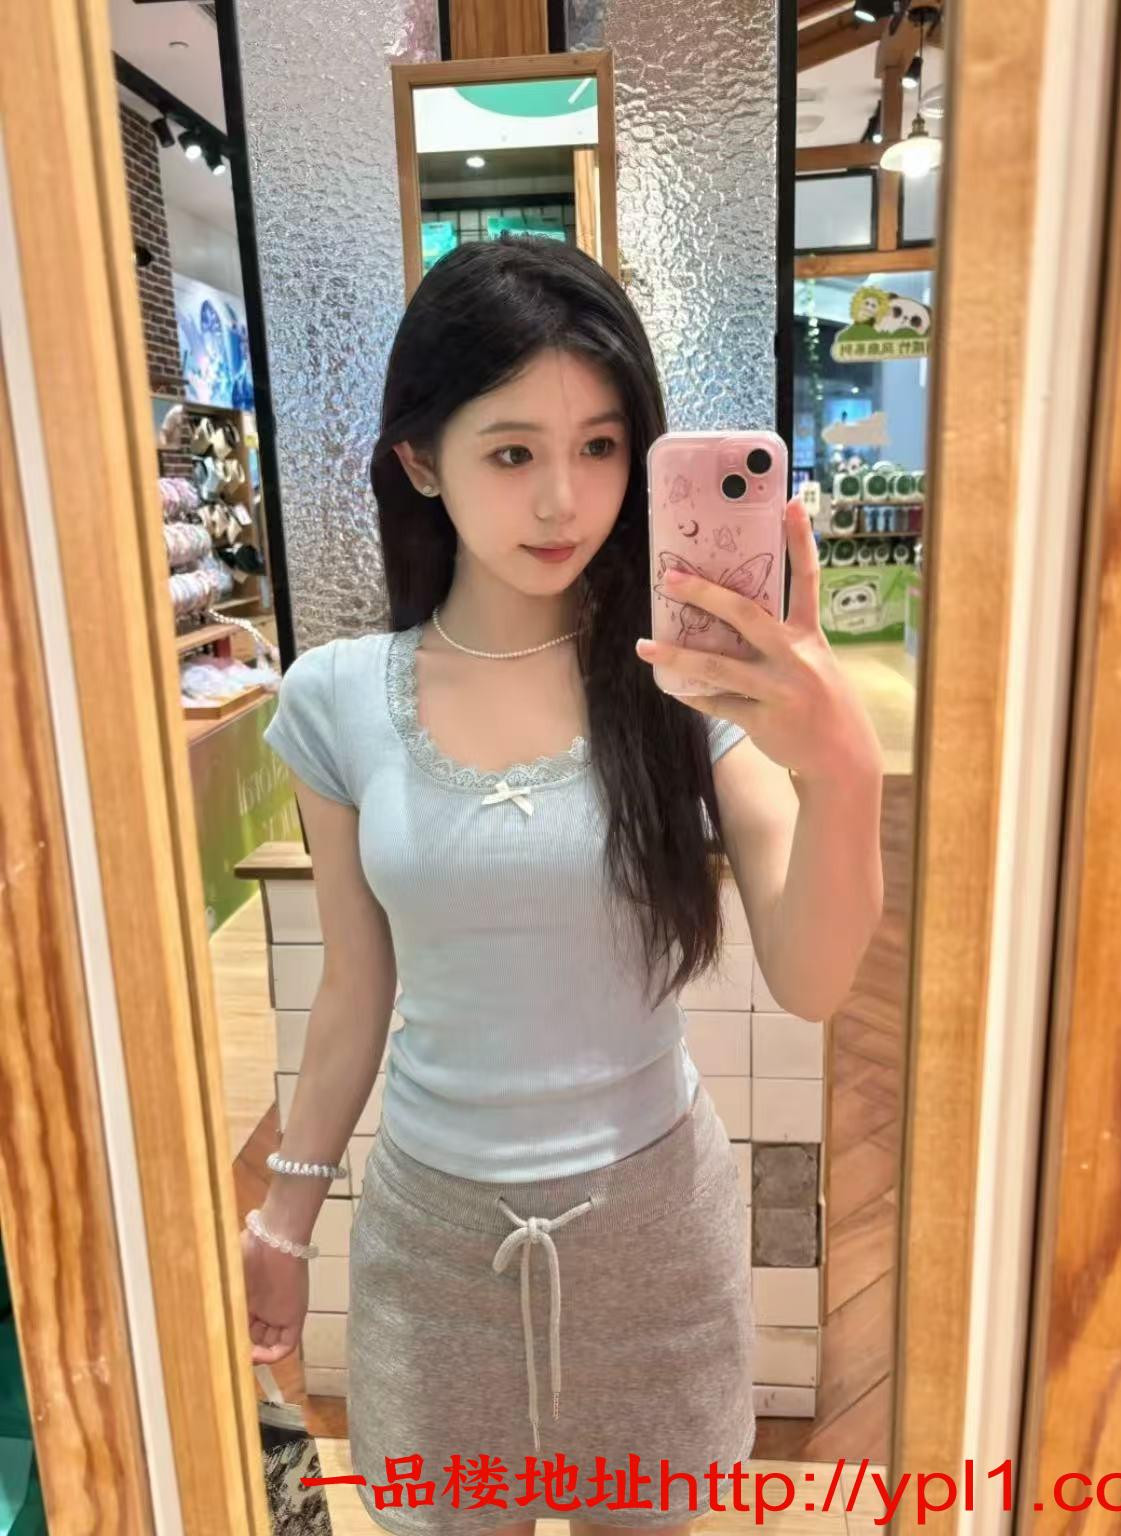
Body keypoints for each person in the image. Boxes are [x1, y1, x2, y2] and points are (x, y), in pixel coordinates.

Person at [242, 234, 885, 1534]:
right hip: (433, 1253)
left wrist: (842, 769)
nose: (562, 502)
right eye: (511, 452)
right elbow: (355, 990)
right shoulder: (335, 700)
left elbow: (814, 978)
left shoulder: (684, 685)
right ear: (420, 461)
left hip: (654, 1242)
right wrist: (285, 1220)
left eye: (600, 446)